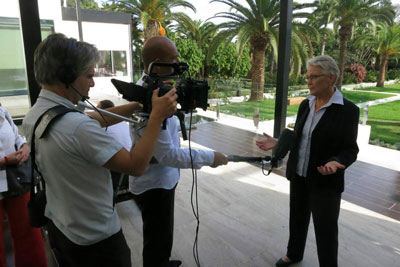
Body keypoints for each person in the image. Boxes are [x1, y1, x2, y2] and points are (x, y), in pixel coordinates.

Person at [22, 33, 177, 267]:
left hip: (61, 226)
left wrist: (138, 105)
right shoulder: (76, 128)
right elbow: (136, 165)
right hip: (97, 242)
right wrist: (156, 116)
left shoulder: (37, 113)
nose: (92, 83)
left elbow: (95, 118)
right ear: (67, 76)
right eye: (89, 76)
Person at [129, 36, 228, 267]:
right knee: (156, 239)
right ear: (157, 62)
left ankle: (163, 261)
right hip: (155, 185)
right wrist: (211, 157)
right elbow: (169, 155)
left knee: (161, 236)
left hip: (160, 180)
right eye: (173, 58)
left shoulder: (150, 88)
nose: (178, 62)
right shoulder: (151, 96)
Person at [256, 55, 359, 267]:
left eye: (314, 77)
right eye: (308, 77)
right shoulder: (306, 104)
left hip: (325, 181)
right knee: (297, 218)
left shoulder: (348, 111)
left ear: (331, 78)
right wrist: (278, 142)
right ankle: (294, 254)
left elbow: (350, 149)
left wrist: (336, 162)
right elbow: (301, 136)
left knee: (326, 229)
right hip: (299, 174)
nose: (308, 81)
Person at [0, 104, 47, 267]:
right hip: (10, 173)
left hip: (15, 180)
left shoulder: (1, 109)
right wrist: (4, 161)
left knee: (28, 233)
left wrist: (24, 146)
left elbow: (16, 134)